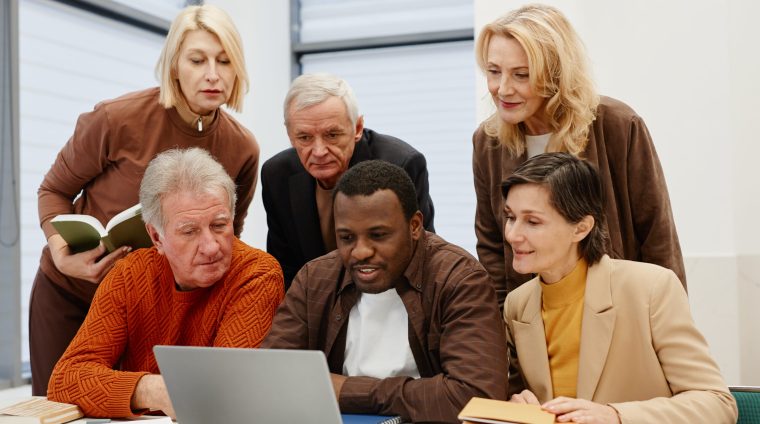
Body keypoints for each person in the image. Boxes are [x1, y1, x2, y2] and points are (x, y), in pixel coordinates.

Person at [30, 4, 260, 395]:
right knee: (58, 406)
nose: (212, 74)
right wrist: (60, 252)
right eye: (197, 59)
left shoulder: (242, 148)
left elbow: (224, 237)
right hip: (73, 292)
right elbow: (53, 190)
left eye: (224, 61)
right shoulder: (114, 119)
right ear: (174, 66)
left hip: (151, 309)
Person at [263, 160, 507, 424]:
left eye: (378, 235)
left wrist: (348, 390)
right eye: (346, 238)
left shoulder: (459, 279)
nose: (360, 252)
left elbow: (477, 398)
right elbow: (273, 379)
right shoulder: (316, 278)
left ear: (415, 226)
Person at [47, 148, 284, 418]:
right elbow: (66, 379)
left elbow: (222, 393)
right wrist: (153, 390)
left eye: (219, 225)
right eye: (189, 231)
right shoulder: (129, 274)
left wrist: (133, 389)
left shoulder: (257, 275)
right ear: (156, 237)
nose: (210, 246)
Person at [473, 4, 685, 306]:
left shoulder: (618, 125)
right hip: (535, 317)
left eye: (521, 75)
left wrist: (665, 322)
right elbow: (492, 246)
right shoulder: (487, 142)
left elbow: (657, 237)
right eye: (494, 72)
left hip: (618, 311)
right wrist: (500, 330)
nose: (502, 89)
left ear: (555, 74)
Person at [502, 153, 736, 423]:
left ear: (581, 228)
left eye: (532, 222)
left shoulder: (651, 289)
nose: (512, 235)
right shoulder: (517, 304)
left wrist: (617, 415)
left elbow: (717, 404)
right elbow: (523, 396)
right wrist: (516, 403)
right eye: (510, 217)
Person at [261, 73, 435, 289]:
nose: (319, 151)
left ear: (358, 128)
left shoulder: (400, 164)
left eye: (332, 135)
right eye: (304, 137)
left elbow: (420, 259)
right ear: (289, 135)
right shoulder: (277, 175)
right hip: (315, 304)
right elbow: (284, 270)